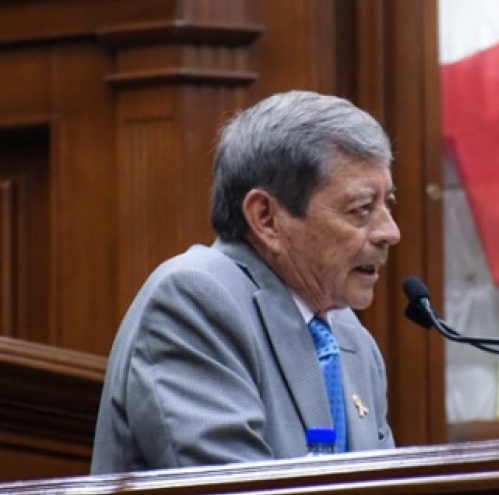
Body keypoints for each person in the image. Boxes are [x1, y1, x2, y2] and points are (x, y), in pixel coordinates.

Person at [91, 90, 401, 473]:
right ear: (266, 218)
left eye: (388, 204)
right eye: (361, 209)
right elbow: (232, 487)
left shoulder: (352, 339)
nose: (390, 232)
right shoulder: (193, 301)